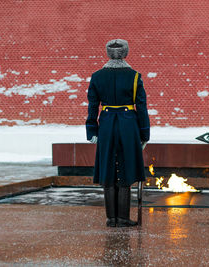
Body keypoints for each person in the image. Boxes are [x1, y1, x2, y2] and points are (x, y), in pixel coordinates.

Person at [86, 39, 150, 227]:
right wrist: (144, 133)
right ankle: (122, 218)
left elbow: (92, 106)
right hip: (128, 124)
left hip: (105, 124)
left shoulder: (97, 76)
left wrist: (92, 130)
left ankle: (110, 218)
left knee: (108, 167)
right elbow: (141, 107)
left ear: (108, 53)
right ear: (125, 53)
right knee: (126, 166)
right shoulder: (135, 76)